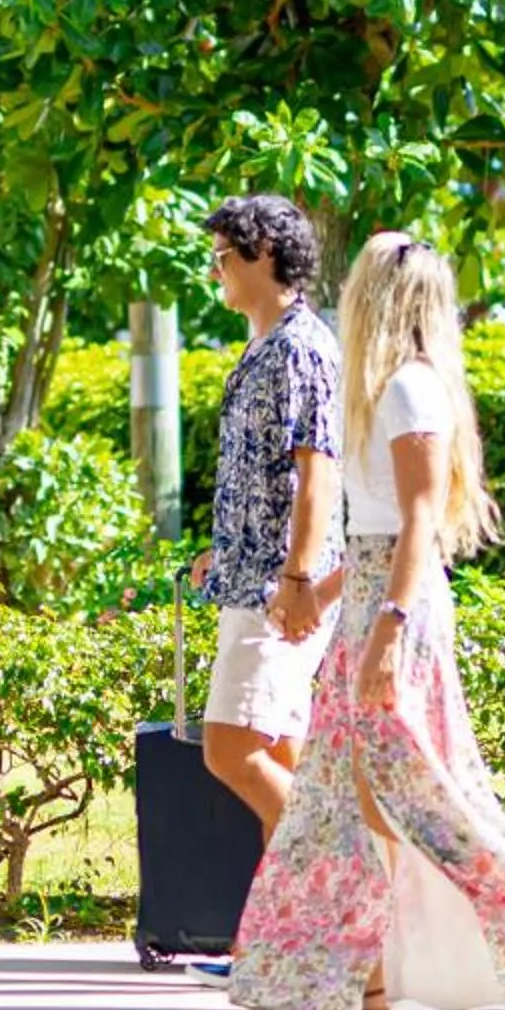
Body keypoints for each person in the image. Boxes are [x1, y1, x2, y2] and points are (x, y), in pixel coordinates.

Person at [227, 233, 505, 1010]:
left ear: (384, 296)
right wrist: (320, 598)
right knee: (352, 799)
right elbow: (373, 532)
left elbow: (418, 523)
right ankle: (357, 970)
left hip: (396, 609)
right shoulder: (388, 390)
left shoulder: (409, 391)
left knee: (426, 798)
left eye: (359, 279)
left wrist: (387, 631)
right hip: (371, 599)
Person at [191, 194, 342, 837]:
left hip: (278, 593)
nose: (215, 271)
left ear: (266, 255)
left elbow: (320, 470)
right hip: (255, 579)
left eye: (223, 257)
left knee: (231, 749)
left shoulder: (298, 349)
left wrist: (300, 579)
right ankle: (300, 929)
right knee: (277, 756)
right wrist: (220, 552)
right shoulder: (266, 348)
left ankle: (339, 878)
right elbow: (265, 475)